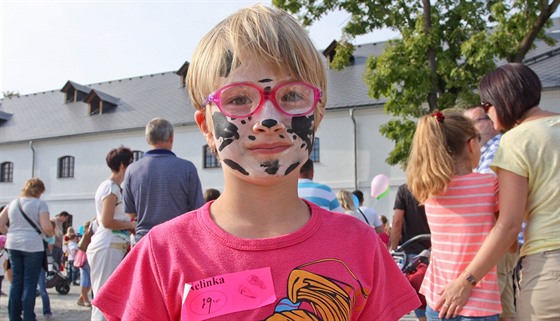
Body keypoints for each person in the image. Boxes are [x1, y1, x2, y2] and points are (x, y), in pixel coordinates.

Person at [92, 5, 420, 320]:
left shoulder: (360, 245)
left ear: (316, 116)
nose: (267, 120)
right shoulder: (163, 253)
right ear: (206, 126)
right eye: (238, 99)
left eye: (291, 95)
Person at [437, 63, 559, 320]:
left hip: (549, 264)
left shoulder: (516, 139)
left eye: (486, 105)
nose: (486, 112)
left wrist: (467, 281)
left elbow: (509, 225)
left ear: (502, 99)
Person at [407, 109, 502, 321]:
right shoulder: (489, 185)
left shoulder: (429, 190)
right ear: (471, 145)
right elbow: (505, 234)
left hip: (437, 300)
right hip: (478, 302)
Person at [464, 106, 517, 321]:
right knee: (505, 307)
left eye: (473, 123)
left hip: (497, 239)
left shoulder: (496, 150)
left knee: (497, 308)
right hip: (503, 240)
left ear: (489, 122)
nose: (469, 131)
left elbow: (481, 199)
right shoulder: (489, 151)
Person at [123, 118, 205, 242]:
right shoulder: (187, 168)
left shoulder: (132, 170)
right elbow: (198, 209)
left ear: (147, 139)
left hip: (144, 240)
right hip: (178, 239)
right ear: (171, 137)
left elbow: (131, 213)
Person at [87, 146, 135, 321]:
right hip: (108, 245)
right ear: (123, 166)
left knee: (108, 296)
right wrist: (132, 225)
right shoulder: (111, 188)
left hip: (112, 244)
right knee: (103, 298)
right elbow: (107, 222)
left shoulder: (112, 187)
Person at [0, 177, 54, 321]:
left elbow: (0, 222)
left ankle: (14, 316)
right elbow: (47, 227)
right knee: (30, 282)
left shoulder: (12, 203)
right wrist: (50, 234)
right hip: (33, 246)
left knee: (16, 281)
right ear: (39, 191)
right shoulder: (40, 204)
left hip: (13, 245)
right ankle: (29, 316)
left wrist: (10, 233)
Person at [390, 184, 431, 254]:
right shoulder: (436, 187)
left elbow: (397, 221)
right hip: (432, 248)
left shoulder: (404, 189)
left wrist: (392, 249)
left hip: (410, 247)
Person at [77, 220, 93, 308]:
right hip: (84, 259)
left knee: (89, 281)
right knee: (85, 281)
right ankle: (85, 299)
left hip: (88, 259)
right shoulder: (86, 235)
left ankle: (81, 298)